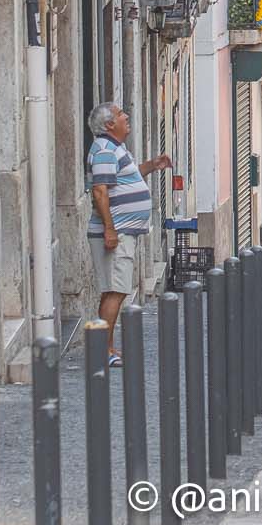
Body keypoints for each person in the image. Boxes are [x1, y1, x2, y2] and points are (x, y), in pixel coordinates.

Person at [87, 101, 171, 366]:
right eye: (121, 114)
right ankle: (103, 351)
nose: (127, 116)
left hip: (121, 232)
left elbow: (124, 179)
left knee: (114, 290)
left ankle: (107, 347)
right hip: (116, 233)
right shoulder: (103, 150)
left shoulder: (115, 148)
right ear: (110, 124)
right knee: (116, 291)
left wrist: (151, 165)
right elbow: (100, 191)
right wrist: (110, 230)